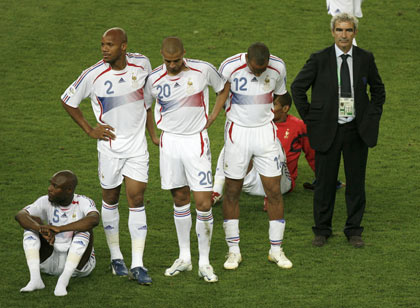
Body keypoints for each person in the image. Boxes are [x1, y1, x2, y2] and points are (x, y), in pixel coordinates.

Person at [61, 28, 158, 284]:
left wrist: (153, 133)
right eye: (102, 44)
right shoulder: (93, 75)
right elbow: (68, 100)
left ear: (123, 46)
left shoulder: (143, 64)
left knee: (137, 199)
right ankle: (116, 258)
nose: (104, 49)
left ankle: (138, 263)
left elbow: (147, 102)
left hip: (137, 148)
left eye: (110, 45)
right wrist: (89, 129)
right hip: (110, 149)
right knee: (111, 198)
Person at [291, 13, 385, 248]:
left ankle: (354, 231)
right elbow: (298, 87)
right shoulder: (319, 59)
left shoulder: (365, 58)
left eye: (349, 30)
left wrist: (371, 117)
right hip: (327, 131)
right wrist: (311, 119)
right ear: (333, 32)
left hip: (356, 131)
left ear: (355, 33)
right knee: (324, 183)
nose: (344, 35)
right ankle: (322, 230)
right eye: (340, 30)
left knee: (356, 183)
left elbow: (378, 90)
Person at [144, 37, 226, 283]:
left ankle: (204, 262)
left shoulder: (203, 70)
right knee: (180, 198)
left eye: (176, 60)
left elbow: (223, 88)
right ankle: (185, 258)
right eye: (167, 61)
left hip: (195, 142)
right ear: (161, 56)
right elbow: (148, 106)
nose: (172, 65)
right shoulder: (153, 79)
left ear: (184, 55)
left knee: (203, 203)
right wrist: (153, 135)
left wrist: (212, 115)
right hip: (170, 143)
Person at [206, 42, 293, 270]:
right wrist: (213, 117)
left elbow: (282, 96)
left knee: (273, 190)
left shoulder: (278, 67)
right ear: (246, 59)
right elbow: (221, 93)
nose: (258, 73)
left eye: (262, 69)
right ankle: (233, 251)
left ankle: (276, 250)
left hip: (265, 133)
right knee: (232, 191)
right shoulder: (229, 66)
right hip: (238, 133)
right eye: (254, 69)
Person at [15, 171, 99, 297]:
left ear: (69, 190)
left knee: (85, 229)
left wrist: (60, 229)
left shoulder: (83, 201)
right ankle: (35, 279)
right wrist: (39, 228)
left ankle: (63, 281)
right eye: (50, 184)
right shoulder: (44, 200)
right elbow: (20, 215)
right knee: (31, 225)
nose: (50, 189)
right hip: (49, 262)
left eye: (55, 186)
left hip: (78, 267)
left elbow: (94, 219)